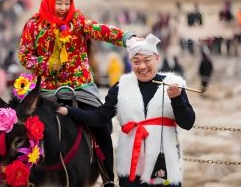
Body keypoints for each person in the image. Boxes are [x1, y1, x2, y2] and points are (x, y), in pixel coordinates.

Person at [17, 0, 138, 185]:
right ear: (49, 1)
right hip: (45, 89)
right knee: (19, 127)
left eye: (67, 3)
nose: (63, 8)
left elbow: (100, 31)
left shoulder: (77, 20)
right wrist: (45, 64)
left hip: (80, 87)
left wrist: (127, 38)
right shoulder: (33, 25)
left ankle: (107, 179)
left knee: (101, 126)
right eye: (59, 3)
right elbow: (24, 55)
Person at [57, 34, 195, 187]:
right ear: (131, 62)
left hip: (165, 167)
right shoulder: (121, 87)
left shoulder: (173, 85)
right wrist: (69, 111)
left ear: (157, 58)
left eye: (147, 60)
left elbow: (187, 122)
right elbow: (100, 117)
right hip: (131, 168)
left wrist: (177, 99)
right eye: (136, 62)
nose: (142, 66)